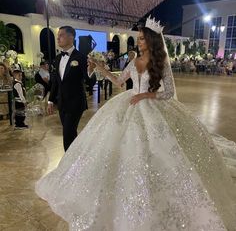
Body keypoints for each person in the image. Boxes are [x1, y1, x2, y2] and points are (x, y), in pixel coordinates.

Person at [36, 18, 236, 230]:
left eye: (141, 38)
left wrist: (145, 96)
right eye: (138, 38)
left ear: (151, 40)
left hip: (152, 104)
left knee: (157, 147)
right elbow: (119, 82)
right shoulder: (133, 62)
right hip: (129, 102)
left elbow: (167, 92)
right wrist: (100, 68)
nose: (138, 42)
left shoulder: (161, 64)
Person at [47, 26, 87, 151]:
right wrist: (50, 100)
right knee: (70, 132)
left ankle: (68, 165)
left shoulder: (81, 57)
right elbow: (56, 82)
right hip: (62, 103)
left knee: (68, 133)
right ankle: (75, 159)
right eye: (58, 35)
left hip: (75, 102)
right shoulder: (58, 58)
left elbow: (89, 79)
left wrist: (93, 69)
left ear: (71, 37)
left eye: (61, 35)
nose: (58, 38)